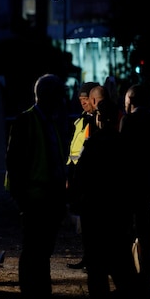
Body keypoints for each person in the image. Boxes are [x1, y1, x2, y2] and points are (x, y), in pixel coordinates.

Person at [4, 73, 69, 299]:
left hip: (49, 198)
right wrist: (21, 198)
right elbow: (15, 163)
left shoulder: (49, 122)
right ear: (47, 95)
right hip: (35, 199)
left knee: (41, 254)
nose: (62, 99)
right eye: (58, 94)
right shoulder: (27, 121)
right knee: (33, 254)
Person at [72, 98, 138, 299]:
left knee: (95, 255)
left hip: (94, 207)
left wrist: (79, 200)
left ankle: (99, 295)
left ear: (100, 118)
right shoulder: (124, 144)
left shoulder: (92, 145)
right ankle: (128, 292)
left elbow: (80, 176)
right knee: (120, 253)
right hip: (118, 207)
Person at [119, 83, 150, 299]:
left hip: (131, 186)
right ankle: (145, 280)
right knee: (147, 235)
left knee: (127, 234)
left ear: (131, 100)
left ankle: (132, 283)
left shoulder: (128, 122)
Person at [65, 81, 100, 270]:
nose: (83, 103)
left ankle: (92, 259)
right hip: (79, 176)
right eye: (80, 100)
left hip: (90, 178)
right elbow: (74, 150)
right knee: (85, 222)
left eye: (85, 99)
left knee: (92, 223)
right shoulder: (81, 120)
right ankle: (87, 256)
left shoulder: (95, 120)